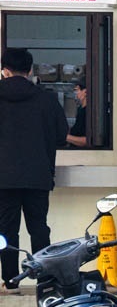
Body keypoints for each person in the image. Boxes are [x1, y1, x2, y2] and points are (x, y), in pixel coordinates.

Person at [0, 48, 69, 291]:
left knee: (6, 230)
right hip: (38, 174)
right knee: (39, 228)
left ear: (4, 69)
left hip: (4, 178)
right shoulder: (46, 99)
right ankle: (44, 279)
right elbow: (62, 136)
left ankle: (9, 280)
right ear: (30, 70)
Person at [65, 78, 88, 148]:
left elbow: (86, 141)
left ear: (85, 92)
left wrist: (64, 136)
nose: (75, 93)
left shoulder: (87, 113)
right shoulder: (81, 110)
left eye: (76, 90)